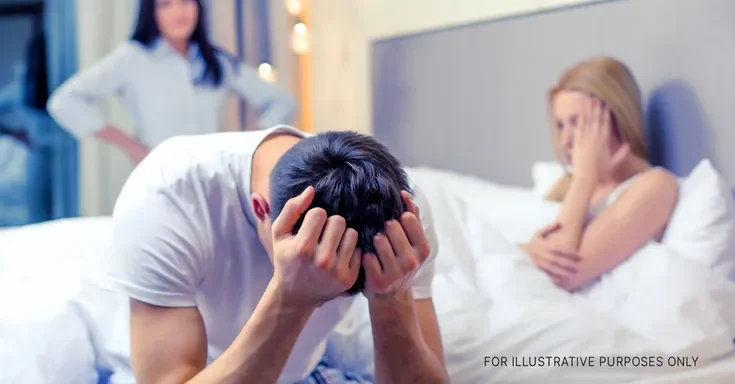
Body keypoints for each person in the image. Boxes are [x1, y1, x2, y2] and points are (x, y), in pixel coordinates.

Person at [99, 124, 448, 384]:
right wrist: (291, 296)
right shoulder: (167, 194)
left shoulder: (402, 217)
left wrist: (390, 296)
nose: (327, 301)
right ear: (260, 209)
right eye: (322, 275)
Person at [46, 0, 296, 164]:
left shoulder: (215, 61)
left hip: (214, 176)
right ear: (151, 12)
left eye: (186, 1)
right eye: (166, 4)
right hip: (159, 176)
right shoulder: (133, 58)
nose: (179, 12)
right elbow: (64, 101)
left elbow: (282, 102)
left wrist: (248, 145)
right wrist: (130, 145)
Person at [520, 57, 679, 292]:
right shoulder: (566, 184)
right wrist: (529, 250)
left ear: (614, 118)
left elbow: (562, 272)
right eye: (561, 125)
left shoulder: (655, 186)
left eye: (577, 123)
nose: (565, 141)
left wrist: (585, 177)